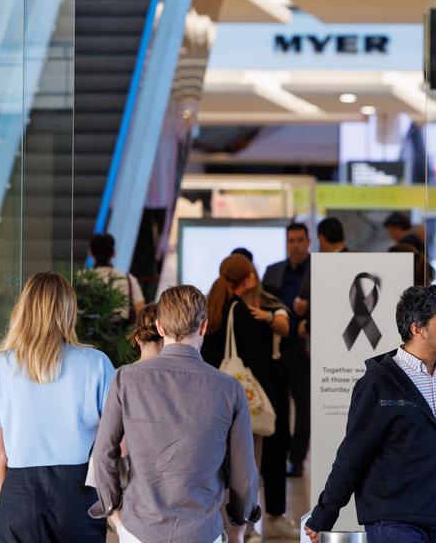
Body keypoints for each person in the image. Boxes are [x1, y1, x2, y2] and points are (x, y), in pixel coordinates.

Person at [305, 285, 436, 543]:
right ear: (418, 329)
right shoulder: (378, 384)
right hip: (393, 521)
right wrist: (323, 517)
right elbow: (352, 456)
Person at [90, 285, 261, 543]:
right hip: (203, 530)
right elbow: (244, 473)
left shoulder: (126, 379)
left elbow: (103, 452)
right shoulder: (229, 389)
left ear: (160, 328)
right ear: (203, 327)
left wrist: (113, 511)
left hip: (140, 528)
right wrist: (239, 521)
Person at [0, 272, 116, 543]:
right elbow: (116, 443)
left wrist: (10, 506)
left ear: (23, 310)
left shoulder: (0, 367)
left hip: (18, 494)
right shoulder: (96, 364)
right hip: (77, 495)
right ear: (68, 311)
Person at [203, 255, 295, 540]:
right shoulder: (239, 311)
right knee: (249, 464)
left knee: (222, 463)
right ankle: (246, 527)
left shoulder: (210, 308)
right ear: (248, 278)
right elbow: (257, 361)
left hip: (216, 399)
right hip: (247, 400)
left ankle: (222, 522)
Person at [262, 223, 313, 479]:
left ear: (308, 241)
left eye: (300, 240)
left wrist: (310, 319)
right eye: (291, 240)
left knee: (303, 406)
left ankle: (298, 458)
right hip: (276, 349)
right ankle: (276, 455)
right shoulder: (273, 272)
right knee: (277, 405)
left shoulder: (318, 270)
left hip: (304, 349)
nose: (295, 245)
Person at [91, 233, 147, 320]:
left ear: (91, 253)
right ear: (113, 253)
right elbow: (142, 313)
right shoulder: (128, 280)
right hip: (121, 332)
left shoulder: (82, 280)